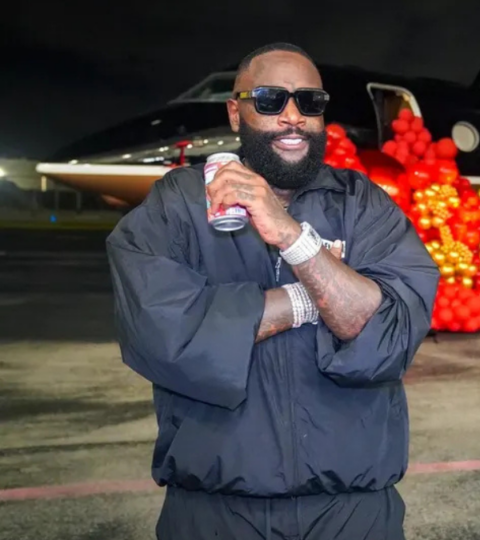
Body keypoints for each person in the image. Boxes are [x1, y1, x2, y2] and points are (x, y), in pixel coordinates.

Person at [105, 42, 439, 540]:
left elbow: (389, 336)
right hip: (214, 513)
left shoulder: (363, 204)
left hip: (353, 512)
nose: (292, 116)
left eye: (309, 102)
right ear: (235, 113)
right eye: (269, 100)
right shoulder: (179, 205)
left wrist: (292, 238)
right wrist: (308, 299)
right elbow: (161, 333)